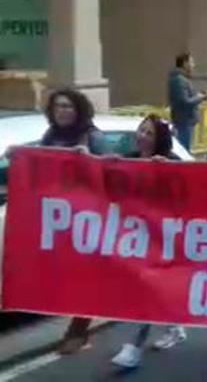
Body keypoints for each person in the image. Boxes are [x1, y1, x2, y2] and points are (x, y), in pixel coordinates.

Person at [110, 116, 187, 368]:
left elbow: (187, 194)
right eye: (141, 130)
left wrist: (167, 172)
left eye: (149, 133)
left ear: (160, 139)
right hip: (133, 235)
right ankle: (175, 326)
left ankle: (134, 347)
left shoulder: (171, 161)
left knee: (147, 287)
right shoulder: (129, 158)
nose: (142, 136)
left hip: (162, 236)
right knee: (151, 287)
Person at [44, 89, 110, 355]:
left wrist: (91, 160)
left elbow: (114, 171)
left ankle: (78, 331)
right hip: (59, 220)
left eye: (68, 106)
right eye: (58, 106)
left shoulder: (93, 137)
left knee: (86, 275)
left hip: (89, 219)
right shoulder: (50, 137)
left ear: (78, 110)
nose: (62, 111)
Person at [168, 53, 207, 150]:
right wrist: (200, 97)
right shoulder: (179, 80)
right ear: (185, 64)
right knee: (184, 150)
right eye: (192, 62)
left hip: (186, 121)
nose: (193, 65)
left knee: (185, 148)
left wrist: (198, 95)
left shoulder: (182, 79)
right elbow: (185, 102)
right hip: (184, 121)